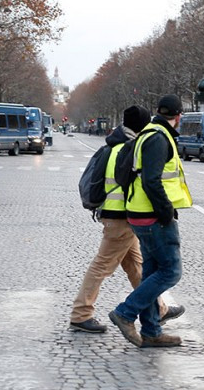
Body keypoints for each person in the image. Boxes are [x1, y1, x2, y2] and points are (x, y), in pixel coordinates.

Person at [69, 105, 185, 333]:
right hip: (121, 217)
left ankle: (158, 309)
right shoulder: (129, 148)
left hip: (116, 215)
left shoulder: (115, 145)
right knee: (102, 266)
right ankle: (81, 313)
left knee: (136, 267)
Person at [109, 94, 192, 348]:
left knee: (152, 273)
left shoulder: (148, 133)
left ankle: (152, 330)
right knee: (171, 271)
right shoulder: (158, 138)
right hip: (152, 215)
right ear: (178, 117)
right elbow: (152, 180)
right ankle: (125, 312)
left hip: (138, 211)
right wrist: (166, 211)